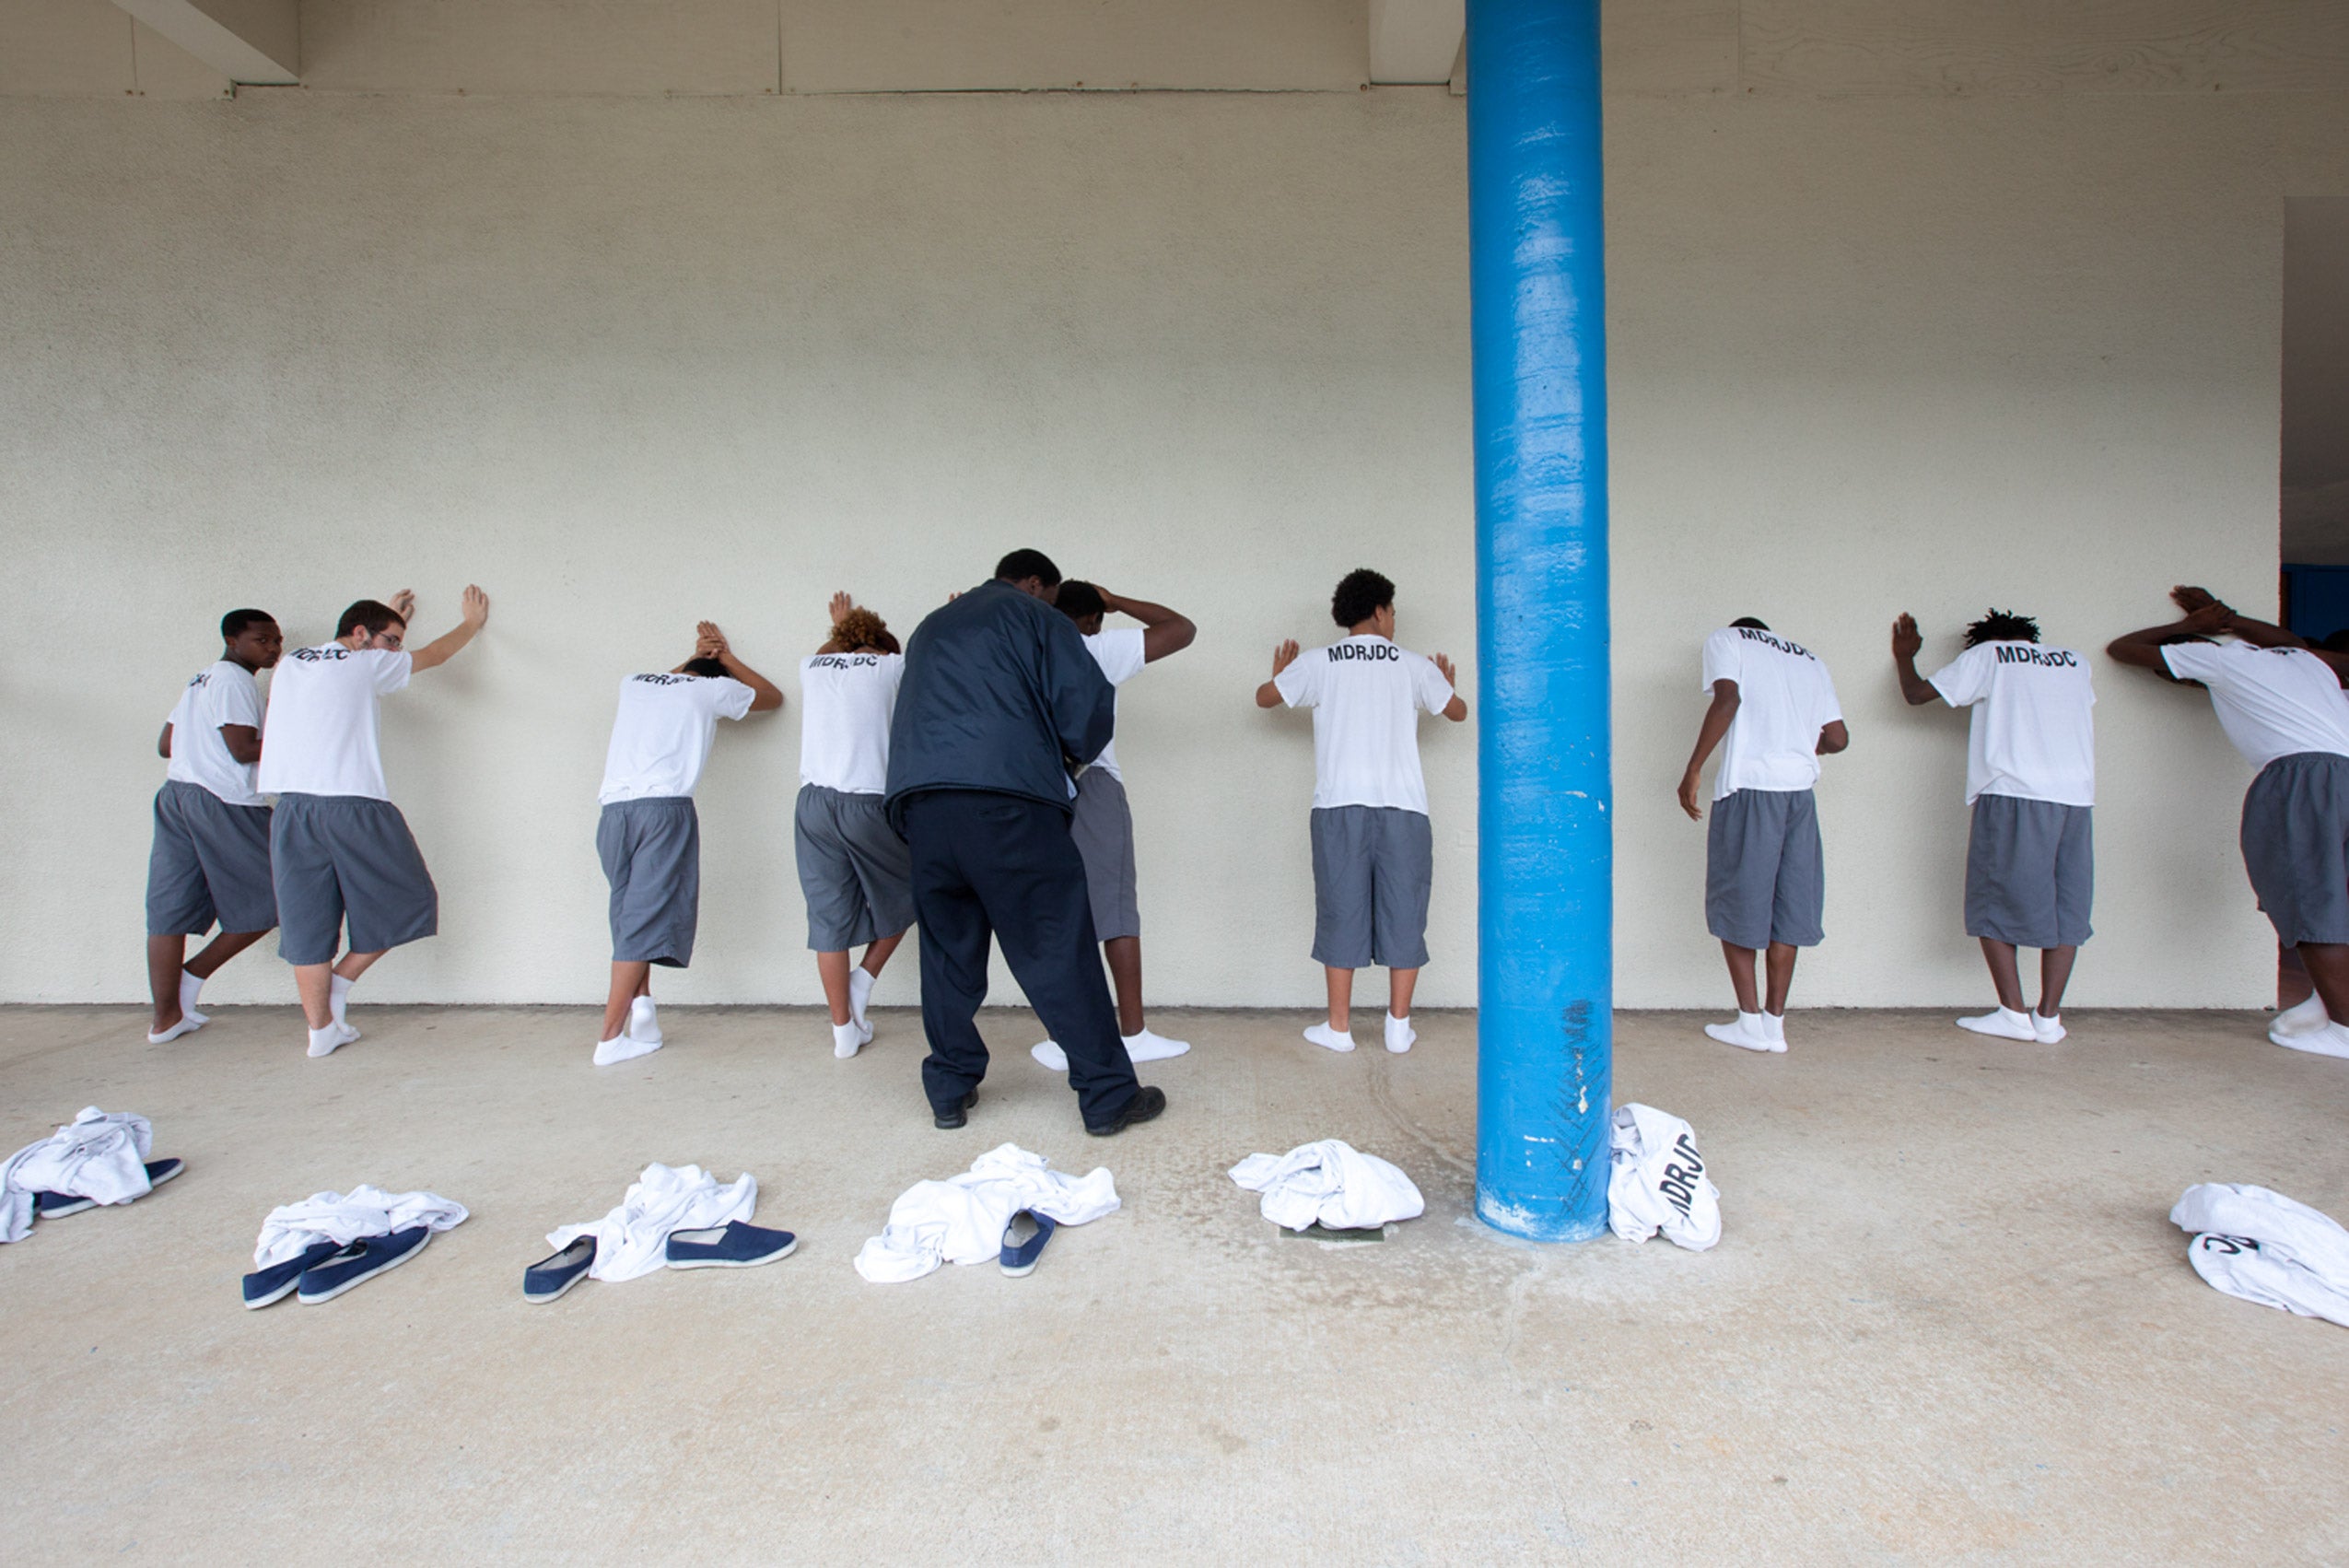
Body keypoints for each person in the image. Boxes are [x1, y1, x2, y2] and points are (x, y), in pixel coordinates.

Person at [884, 548, 1166, 1137]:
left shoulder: (931, 624)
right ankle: (1108, 1095)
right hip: (1009, 803)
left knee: (946, 954)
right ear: (1037, 584)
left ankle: (949, 1089)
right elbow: (1086, 706)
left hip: (925, 805)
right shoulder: (1037, 618)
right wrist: (1068, 759)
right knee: (1056, 946)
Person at [2109, 585, 2349, 1060]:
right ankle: (2328, 1003)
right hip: (2344, 771)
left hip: (2300, 777)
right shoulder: (2300, 659)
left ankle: (2344, 1030)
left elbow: (2121, 650)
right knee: (2336, 898)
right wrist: (2228, 616)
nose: (2181, 685)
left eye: (2174, 677)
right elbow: (2285, 636)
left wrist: (2187, 629)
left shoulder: (2214, 659)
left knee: (2309, 902)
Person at [256, 587, 489, 1059]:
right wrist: (471, 624)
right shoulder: (365, 661)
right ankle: (340, 985)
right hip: (351, 805)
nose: (396, 652)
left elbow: (339, 660)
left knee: (307, 921)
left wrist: (386, 625)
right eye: (392, 641)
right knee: (412, 898)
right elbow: (435, 656)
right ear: (361, 635)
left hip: (293, 808)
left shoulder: (293, 663)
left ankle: (320, 1030)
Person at [1256, 568, 1467, 1055]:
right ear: (1378, 610)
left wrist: (1279, 678)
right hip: (1405, 808)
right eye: (1392, 612)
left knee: (1341, 909)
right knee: (1405, 910)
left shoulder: (1319, 661)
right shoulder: (1413, 665)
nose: (1393, 620)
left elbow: (1265, 699)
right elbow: (1458, 713)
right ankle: (1397, 1026)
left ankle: (1339, 1028)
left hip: (1338, 806)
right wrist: (1446, 689)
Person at [1892, 608, 2095, 1043]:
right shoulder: (2075, 661)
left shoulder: (1990, 655)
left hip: (2014, 793)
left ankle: (2012, 1012)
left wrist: (1904, 656)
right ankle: (2049, 1017)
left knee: (1994, 897)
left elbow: (1915, 695)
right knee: (2066, 908)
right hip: (2076, 799)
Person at [592, 621, 781, 1066]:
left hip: (613, 813)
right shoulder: (710, 692)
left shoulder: (635, 682)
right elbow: (772, 698)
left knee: (627, 915)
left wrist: (699, 654)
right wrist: (727, 658)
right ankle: (609, 1039)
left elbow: (671, 678)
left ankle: (643, 1013)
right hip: (663, 811)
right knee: (643, 922)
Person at [1031, 580, 1198, 1073]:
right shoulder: (1096, 647)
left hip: (1035, 789)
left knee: (1056, 913)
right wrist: (1118, 601)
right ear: (1092, 620)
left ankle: (1063, 1040)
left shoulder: (1024, 651)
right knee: (1116, 908)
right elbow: (1181, 629)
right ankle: (1133, 1033)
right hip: (1094, 784)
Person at [1677, 616, 1848, 1053]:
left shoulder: (1726, 639)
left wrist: (1694, 767)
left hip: (1751, 789)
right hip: (1799, 795)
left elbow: (1728, 699)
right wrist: (1801, 746)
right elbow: (1838, 738)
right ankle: (1775, 1023)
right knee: (1788, 905)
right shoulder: (1809, 658)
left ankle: (1749, 1020)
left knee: (1739, 899)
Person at [145, 608, 286, 1043]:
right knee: (280, 897)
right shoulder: (233, 680)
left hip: (177, 796)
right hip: (222, 800)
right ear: (232, 640)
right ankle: (193, 977)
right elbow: (243, 750)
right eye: (262, 640)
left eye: (276, 640)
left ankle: (166, 1017)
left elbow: (167, 743)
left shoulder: (201, 679)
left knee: (169, 910)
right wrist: (301, 737)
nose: (273, 648)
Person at [796, 591, 913, 1060]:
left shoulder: (814, 666)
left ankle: (843, 1029)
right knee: (915, 886)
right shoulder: (890, 667)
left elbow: (829, 654)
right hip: (865, 802)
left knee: (829, 917)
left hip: (811, 804)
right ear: (884, 644)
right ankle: (862, 981)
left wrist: (841, 628)